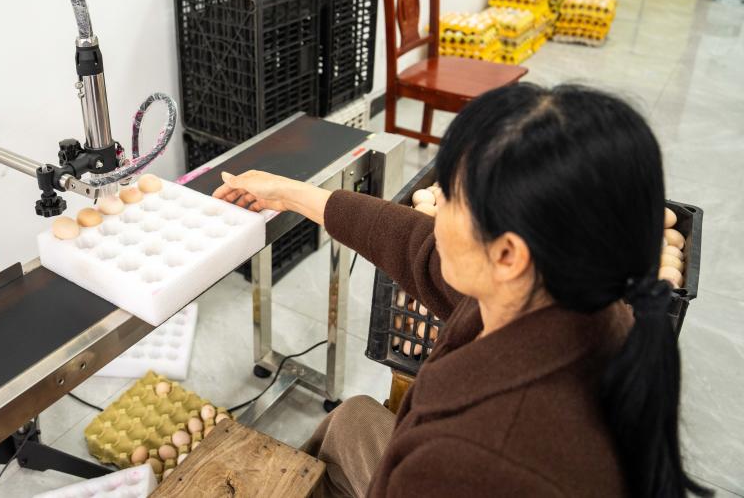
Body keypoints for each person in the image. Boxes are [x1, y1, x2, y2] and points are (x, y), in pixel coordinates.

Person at [213, 84, 708, 498]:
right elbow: (415, 245)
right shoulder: (575, 301)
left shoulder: (471, 459)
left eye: (449, 198)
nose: (436, 213)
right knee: (352, 422)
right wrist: (291, 194)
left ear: (508, 255)